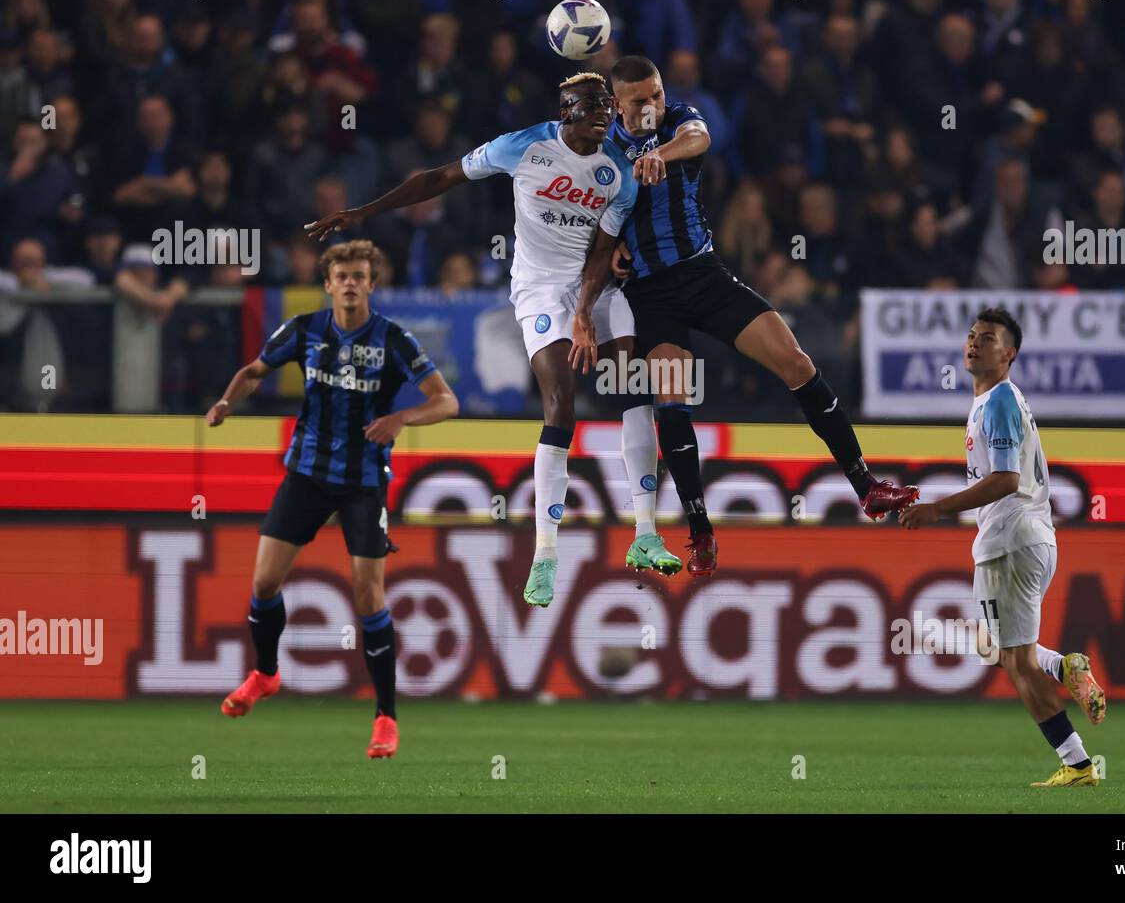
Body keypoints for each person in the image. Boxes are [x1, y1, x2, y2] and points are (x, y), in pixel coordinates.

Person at [305, 73, 682, 609]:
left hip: (592, 288)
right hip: (538, 291)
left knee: (634, 385)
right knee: (560, 406)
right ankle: (545, 554)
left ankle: (645, 533)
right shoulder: (524, 146)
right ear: (568, 108)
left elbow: (602, 251)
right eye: (595, 106)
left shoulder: (617, 172)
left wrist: (584, 312)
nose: (606, 115)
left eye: (609, 106)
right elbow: (439, 177)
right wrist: (364, 211)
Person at [570, 55, 920, 578]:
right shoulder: (600, 151)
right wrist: (604, 262)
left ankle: (866, 486)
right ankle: (700, 530)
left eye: (657, 93)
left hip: (704, 274)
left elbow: (700, 139)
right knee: (673, 399)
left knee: (795, 362)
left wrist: (658, 154)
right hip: (651, 294)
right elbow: (592, 225)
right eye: (640, 99)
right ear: (618, 105)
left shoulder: (678, 121)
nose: (653, 105)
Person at [207, 240, 458, 759]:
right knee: (264, 582)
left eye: (359, 275)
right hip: (306, 474)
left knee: (368, 597)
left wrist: (400, 418)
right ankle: (266, 673)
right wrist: (228, 400)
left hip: (365, 479)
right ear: (327, 284)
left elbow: (445, 400)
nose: (349, 283)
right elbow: (255, 370)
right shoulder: (304, 330)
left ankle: (386, 718)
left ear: (372, 283)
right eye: (341, 275)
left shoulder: (394, 339)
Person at [899, 308, 1107, 787]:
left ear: (1009, 353)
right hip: (1028, 540)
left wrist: (938, 509)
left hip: (1010, 543)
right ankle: (1064, 665)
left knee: (1015, 662)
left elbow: (1007, 479)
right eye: (971, 335)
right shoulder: (994, 401)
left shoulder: (999, 402)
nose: (974, 343)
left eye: (988, 338)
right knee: (995, 647)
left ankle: (1077, 764)